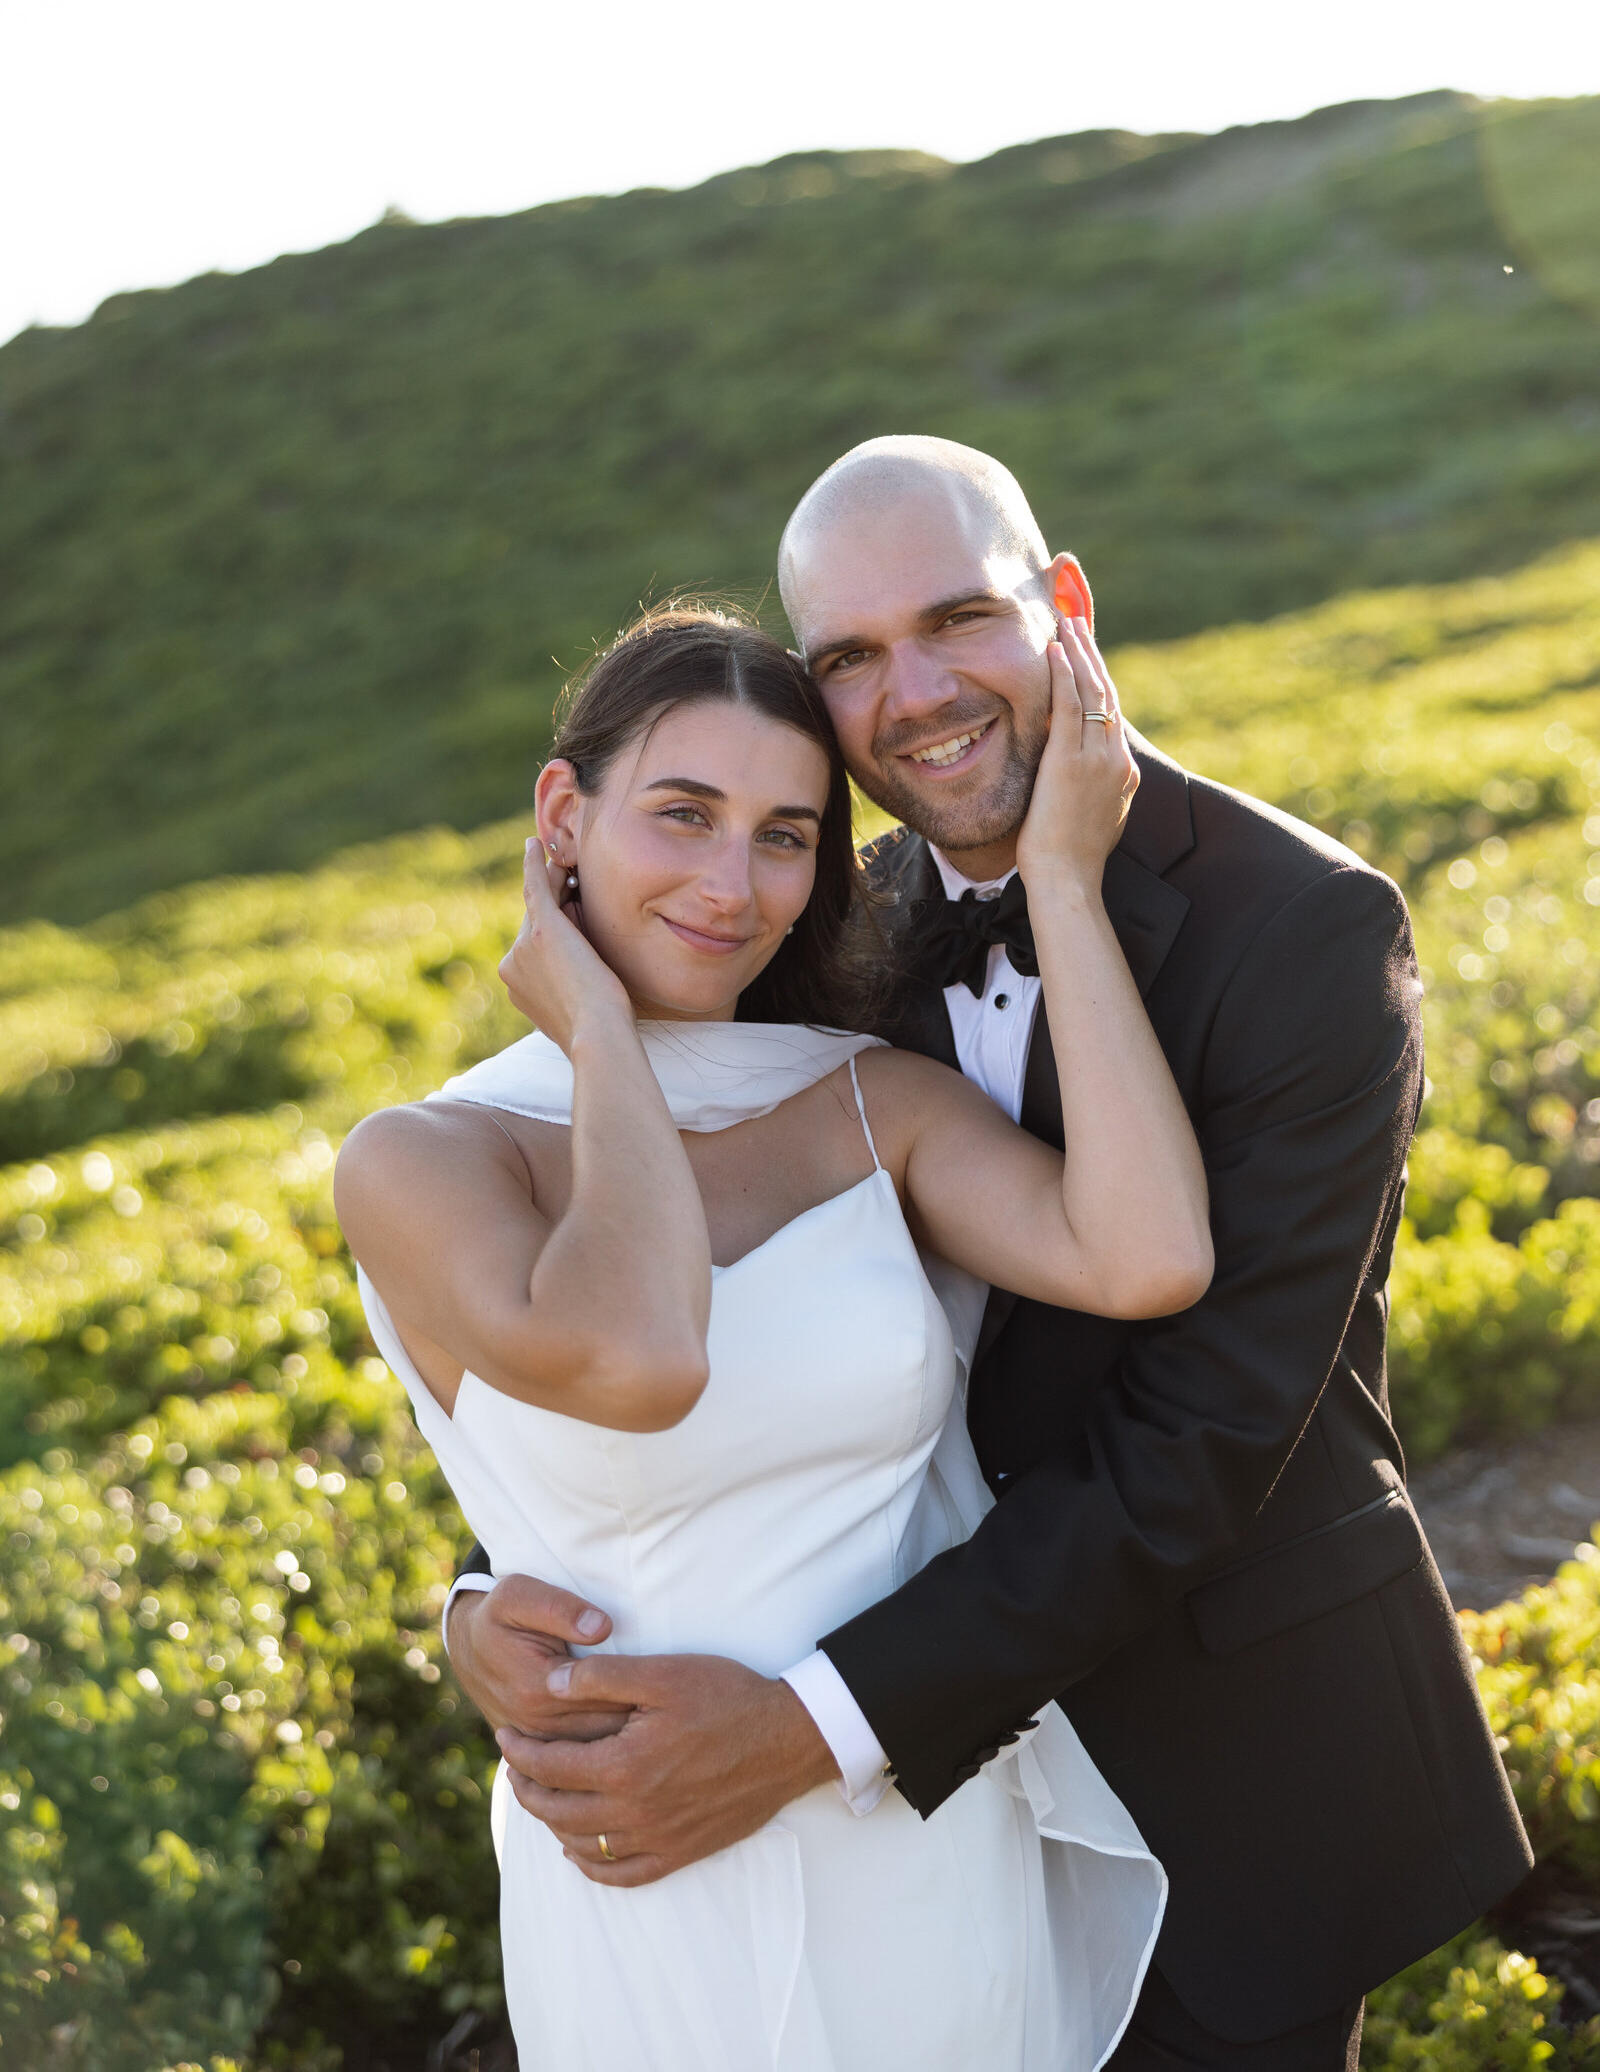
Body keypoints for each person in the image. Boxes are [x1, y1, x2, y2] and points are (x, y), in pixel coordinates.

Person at [445, 438, 1533, 2072]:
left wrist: (817, 1728)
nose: (917, 693)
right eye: (854, 658)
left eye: (960, 619)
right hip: (903, 1841)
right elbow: (655, 1296)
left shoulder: (1305, 930)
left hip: (1224, 1772)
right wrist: (482, 1600)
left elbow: (1202, 1438)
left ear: (1066, 608)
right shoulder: (819, 922)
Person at [336, 599, 1212, 2071]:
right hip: (649, 1879)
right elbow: (643, 1360)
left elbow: (1146, 1256)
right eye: (683, 815)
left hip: (916, 1840)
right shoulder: (425, 1161)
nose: (732, 885)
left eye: (786, 835)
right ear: (565, 814)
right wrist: (604, 1040)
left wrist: (1061, 874)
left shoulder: (874, 1102)